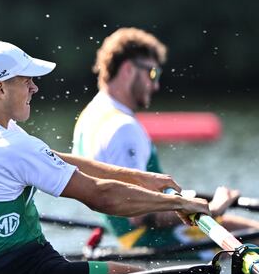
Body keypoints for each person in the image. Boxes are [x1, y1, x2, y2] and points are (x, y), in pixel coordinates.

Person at [0, 40, 241, 274]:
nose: (34, 88)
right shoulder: (6, 146)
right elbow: (101, 196)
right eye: (26, 81)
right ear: (0, 89)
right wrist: (176, 203)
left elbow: (57, 158)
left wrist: (140, 178)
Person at [72, 27, 259, 252]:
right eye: (153, 73)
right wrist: (215, 207)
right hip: (151, 241)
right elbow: (138, 213)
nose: (156, 85)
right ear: (129, 69)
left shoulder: (90, 115)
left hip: (129, 238)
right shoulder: (123, 127)